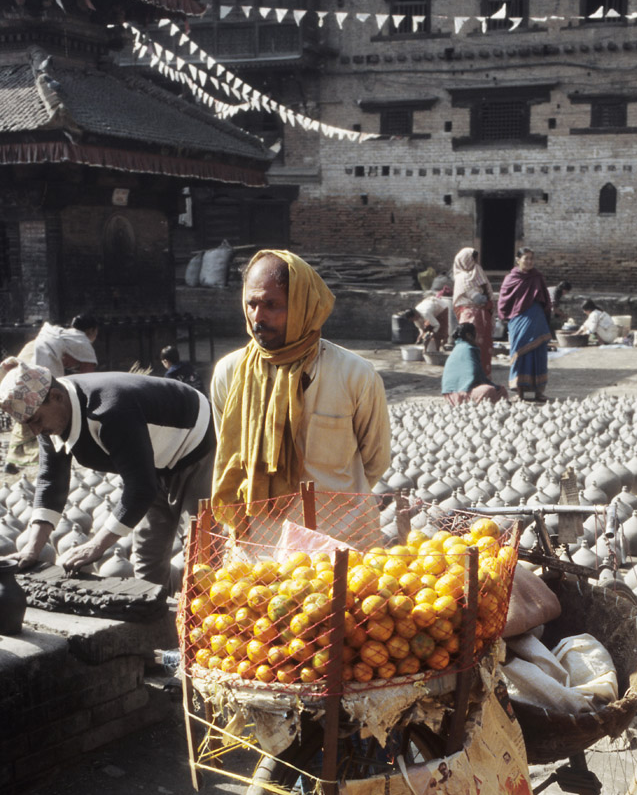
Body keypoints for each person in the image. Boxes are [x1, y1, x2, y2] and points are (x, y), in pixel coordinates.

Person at [211, 249, 390, 546]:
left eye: (272, 305)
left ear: (302, 305)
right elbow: (229, 451)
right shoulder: (229, 374)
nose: (258, 317)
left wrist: (329, 505)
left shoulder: (354, 374)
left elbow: (376, 459)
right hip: (262, 544)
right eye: (252, 304)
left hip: (343, 542)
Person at [0, 360, 215, 587]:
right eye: (28, 425)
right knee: (148, 559)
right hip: (151, 460)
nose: (36, 431)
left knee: (201, 552)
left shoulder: (108, 410)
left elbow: (141, 488)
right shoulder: (52, 414)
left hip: (196, 444)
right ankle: (157, 615)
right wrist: (33, 548)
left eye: (36, 421)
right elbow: (51, 480)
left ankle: (206, 616)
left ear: (56, 397)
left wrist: (97, 545)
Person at [4, 315, 100, 472]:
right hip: (38, 361)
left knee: (26, 410)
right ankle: (46, 459)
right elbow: (86, 380)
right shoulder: (83, 343)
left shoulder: (62, 334)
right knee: (41, 413)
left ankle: (13, 461)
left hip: (28, 354)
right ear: (92, 330)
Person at [497, 247, 552, 403]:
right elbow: (504, 299)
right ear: (518, 259)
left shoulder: (537, 277)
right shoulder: (511, 278)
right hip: (518, 319)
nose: (528, 262)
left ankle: (539, 392)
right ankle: (520, 391)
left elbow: (545, 299)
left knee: (539, 354)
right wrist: (505, 316)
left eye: (531, 259)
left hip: (536, 318)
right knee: (520, 352)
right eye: (525, 258)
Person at [441, 322, 508, 406]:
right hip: (459, 394)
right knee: (489, 390)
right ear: (469, 335)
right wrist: (492, 385)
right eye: (476, 334)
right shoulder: (468, 349)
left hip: (450, 394)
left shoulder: (459, 348)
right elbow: (474, 373)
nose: (478, 337)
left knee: (501, 389)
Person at [452, 247, 494, 378]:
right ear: (465, 260)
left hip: (480, 316)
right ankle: (471, 376)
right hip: (471, 317)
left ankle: (483, 376)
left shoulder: (475, 274)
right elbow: (478, 299)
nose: (476, 262)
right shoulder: (463, 278)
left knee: (483, 345)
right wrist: (486, 299)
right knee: (471, 344)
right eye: (473, 259)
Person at [402, 284, 452, 355]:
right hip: (432, 311)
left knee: (439, 332)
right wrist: (421, 334)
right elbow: (421, 328)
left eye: (412, 319)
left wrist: (433, 333)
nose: (413, 321)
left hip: (441, 308)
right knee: (427, 332)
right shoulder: (415, 317)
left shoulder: (425, 313)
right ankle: (425, 350)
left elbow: (437, 325)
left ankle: (439, 349)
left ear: (415, 315)